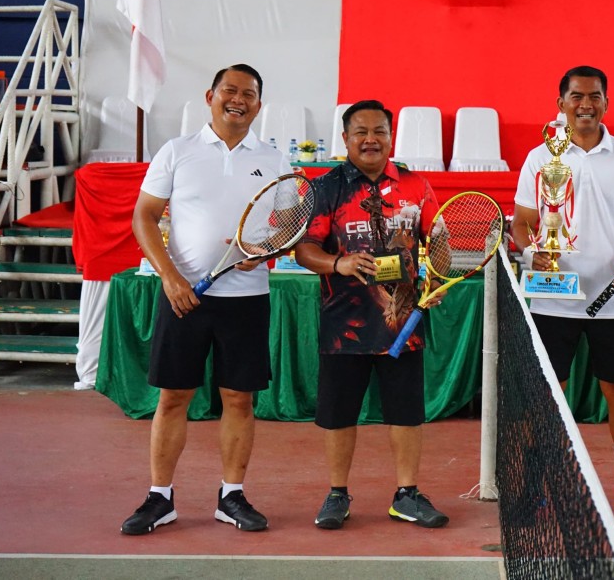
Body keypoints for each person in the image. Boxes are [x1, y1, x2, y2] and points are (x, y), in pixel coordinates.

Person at [121, 64, 288, 535]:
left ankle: (231, 496)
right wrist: (170, 278)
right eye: (229, 91)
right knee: (173, 397)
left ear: (259, 105)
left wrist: (266, 252)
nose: (238, 100)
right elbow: (144, 217)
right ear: (210, 96)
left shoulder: (274, 160)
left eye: (249, 94)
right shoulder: (177, 151)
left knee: (239, 399)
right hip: (184, 297)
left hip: (247, 298)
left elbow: (289, 226)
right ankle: (160, 498)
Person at [512, 66, 614, 529]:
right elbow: (521, 223)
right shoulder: (540, 157)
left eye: (594, 96)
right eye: (576, 96)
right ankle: (533, 490)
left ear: (606, 103)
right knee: (546, 395)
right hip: (552, 300)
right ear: (560, 103)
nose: (586, 104)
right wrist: (533, 252)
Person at [294, 100, 449, 530]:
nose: (370, 139)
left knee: (406, 413)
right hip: (343, 323)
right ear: (345, 139)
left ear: (390, 137)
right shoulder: (326, 188)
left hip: (403, 323)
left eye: (379, 131)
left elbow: (438, 240)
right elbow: (304, 250)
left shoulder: (416, 185)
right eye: (360, 132)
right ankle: (337, 495)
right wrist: (338, 263)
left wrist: (436, 280)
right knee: (339, 414)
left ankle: (407, 495)